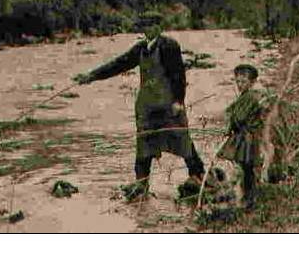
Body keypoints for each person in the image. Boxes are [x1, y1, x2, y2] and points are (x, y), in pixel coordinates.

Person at [72, 16, 209, 200]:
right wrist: (91, 76)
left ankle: (199, 176)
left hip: (168, 105)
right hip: (146, 107)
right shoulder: (140, 48)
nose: (148, 30)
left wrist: (178, 101)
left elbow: (179, 75)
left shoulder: (169, 46)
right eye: (145, 26)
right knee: (144, 146)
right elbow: (118, 64)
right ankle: (141, 185)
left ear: (159, 27)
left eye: (152, 26)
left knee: (182, 141)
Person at [218, 63, 265, 209]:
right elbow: (232, 110)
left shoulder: (250, 98)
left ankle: (247, 198)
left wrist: (230, 123)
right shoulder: (244, 97)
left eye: (243, 82)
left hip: (248, 139)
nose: (239, 85)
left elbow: (239, 117)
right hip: (244, 137)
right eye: (237, 81)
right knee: (245, 168)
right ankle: (247, 197)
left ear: (252, 83)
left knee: (246, 168)